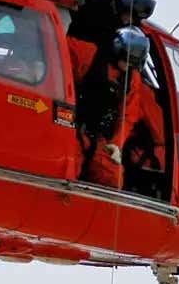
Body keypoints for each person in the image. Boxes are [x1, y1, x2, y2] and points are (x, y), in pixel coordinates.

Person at [69, 26, 167, 192]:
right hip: (73, 131)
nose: (127, 66)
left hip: (100, 141)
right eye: (126, 60)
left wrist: (116, 144)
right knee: (67, 167)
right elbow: (57, 47)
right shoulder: (89, 55)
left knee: (112, 178)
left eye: (133, 63)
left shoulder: (131, 79)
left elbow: (128, 114)